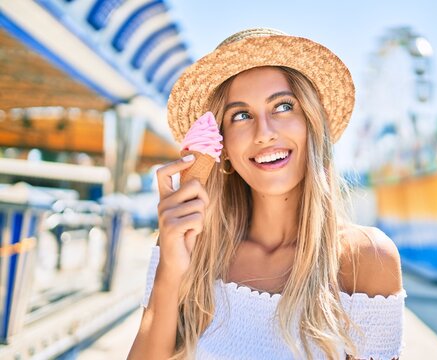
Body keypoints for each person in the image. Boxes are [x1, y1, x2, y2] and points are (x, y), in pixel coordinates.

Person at [128, 28, 406, 360]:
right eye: (241, 115)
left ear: (311, 124)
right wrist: (171, 268)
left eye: (283, 107)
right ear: (223, 146)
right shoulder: (189, 243)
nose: (264, 133)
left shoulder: (368, 259)